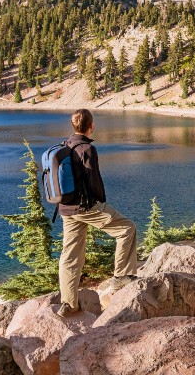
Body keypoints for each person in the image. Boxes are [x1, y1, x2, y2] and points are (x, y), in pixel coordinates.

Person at [58, 108, 138, 317]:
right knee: (127, 229)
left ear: (73, 126)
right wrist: (102, 202)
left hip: (66, 209)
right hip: (85, 207)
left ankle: (68, 303)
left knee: (70, 255)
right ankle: (122, 276)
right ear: (91, 126)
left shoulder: (65, 146)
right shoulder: (86, 149)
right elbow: (94, 181)